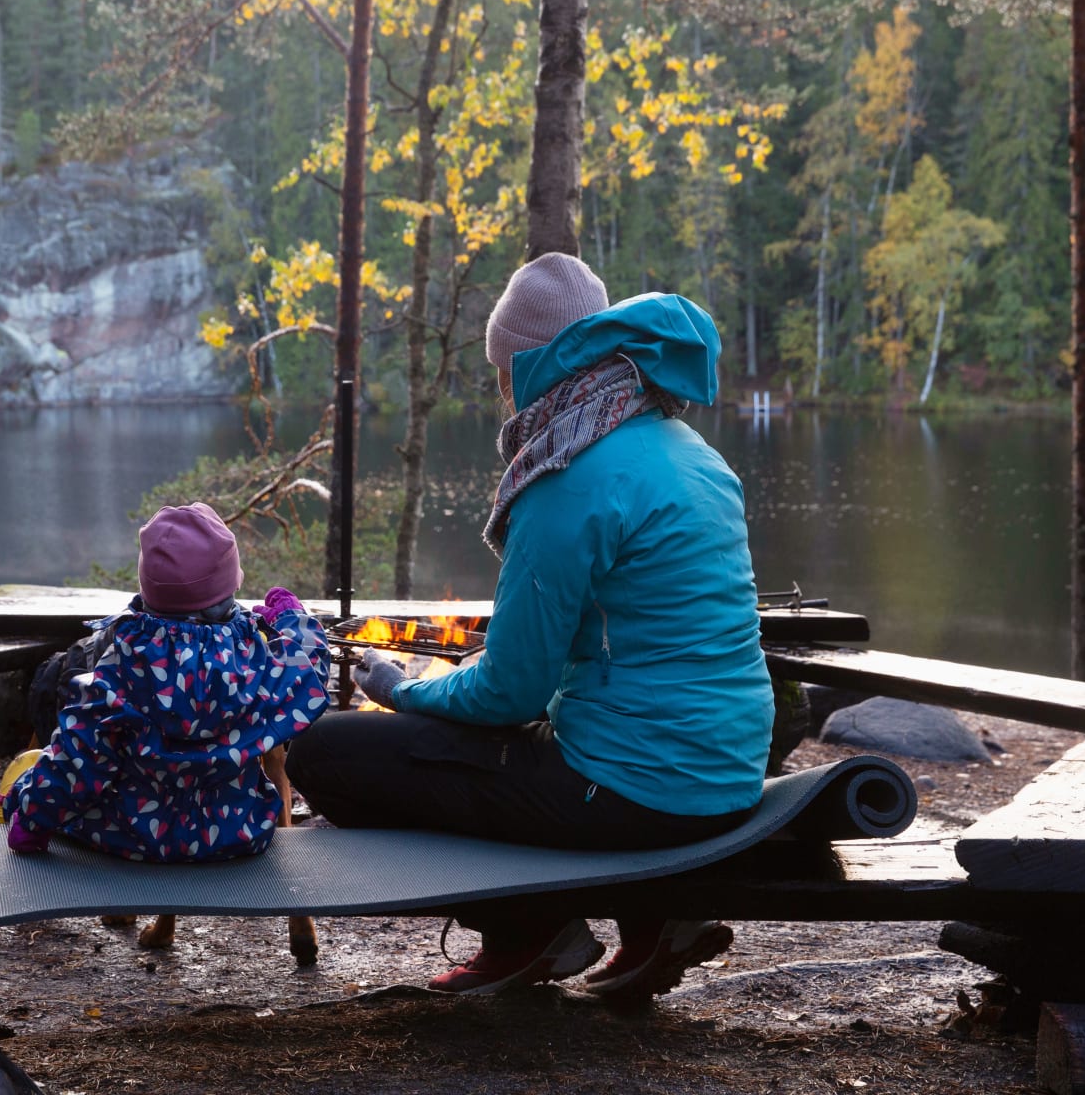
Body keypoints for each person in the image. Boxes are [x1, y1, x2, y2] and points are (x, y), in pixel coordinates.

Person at [286, 253, 776, 999]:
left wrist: (402, 688)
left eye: (499, 368)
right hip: (725, 774)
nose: (499, 386)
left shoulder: (568, 472)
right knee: (499, 751)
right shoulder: (691, 453)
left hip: (633, 790)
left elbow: (511, 695)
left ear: (529, 362)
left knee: (324, 753)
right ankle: (657, 920)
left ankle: (529, 932)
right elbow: (623, 637)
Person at [2, 502, 331, 862]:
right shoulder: (254, 661)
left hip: (129, 836)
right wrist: (292, 617)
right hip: (237, 833)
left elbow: (76, 759)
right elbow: (309, 671)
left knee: (26, 778)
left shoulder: (121, 664)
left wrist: (32, 822)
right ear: (230, 584)